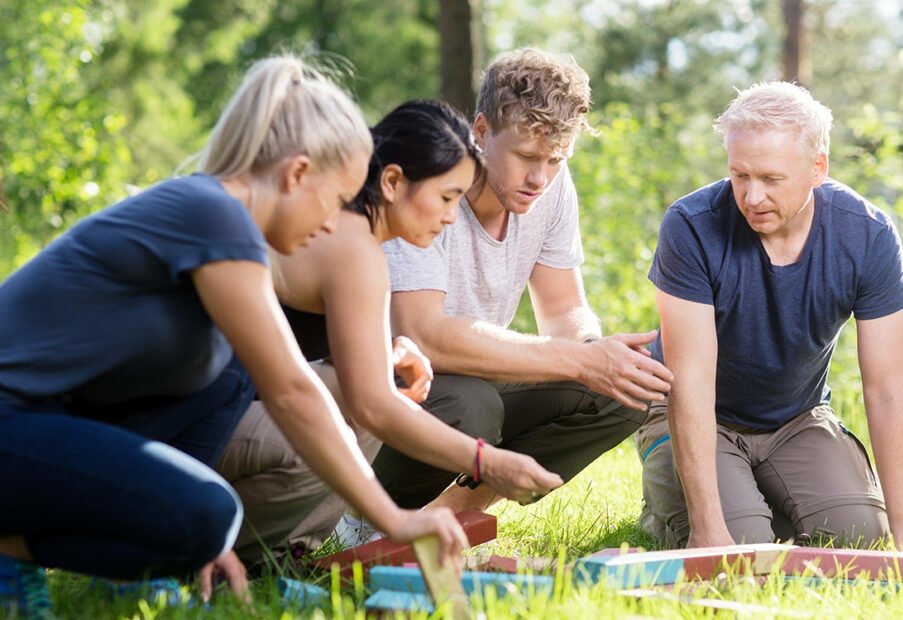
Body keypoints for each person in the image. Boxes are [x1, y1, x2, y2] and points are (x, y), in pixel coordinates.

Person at [0, 56, 467, 617]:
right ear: (296, 175)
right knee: (208, 513)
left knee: (230, 372)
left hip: (48, 422)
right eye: (334, 198)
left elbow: (244, 381)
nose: (329, 225)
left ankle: (151, 553)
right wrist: (395, 518)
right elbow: (294, 391)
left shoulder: (222, 223)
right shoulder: (214, 214)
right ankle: (12, 549)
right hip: (13, 421)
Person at [217, 100, 563, 566]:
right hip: (206, 418)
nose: (450, 217)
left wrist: (386, 348)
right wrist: (488, 462)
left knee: (371, 384)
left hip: (223, 402)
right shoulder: (352, 244)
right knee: (345, 413)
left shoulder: (364, 244)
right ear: (393, 182)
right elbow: (369, 403)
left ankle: (288, 547)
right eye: (445, 198)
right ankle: (257, 553)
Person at [370, 48, 674, 517]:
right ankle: (369, 515)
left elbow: (563, 306)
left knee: (623, 391)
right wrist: (577, 360)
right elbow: (423, 335)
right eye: (527, 156)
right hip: (392, 391)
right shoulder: (426, 185)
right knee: (473, 406)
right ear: (482, 131)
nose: (540, 178)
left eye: (556, 159)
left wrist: (594, 350)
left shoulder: (551, 182)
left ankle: (450, 515)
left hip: (480, 378)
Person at [637, 81, 903, 552]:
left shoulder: (868, 235)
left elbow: (888, 388)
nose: (751, 197)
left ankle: (758, 496)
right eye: (740, 176)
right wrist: (708, 530)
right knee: (740, 546)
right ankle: (669, 507)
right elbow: (690, 380)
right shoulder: (691, 225)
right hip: (701, 412)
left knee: (861, 537)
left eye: (770, 179)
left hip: (797, 419)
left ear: (817, 168)